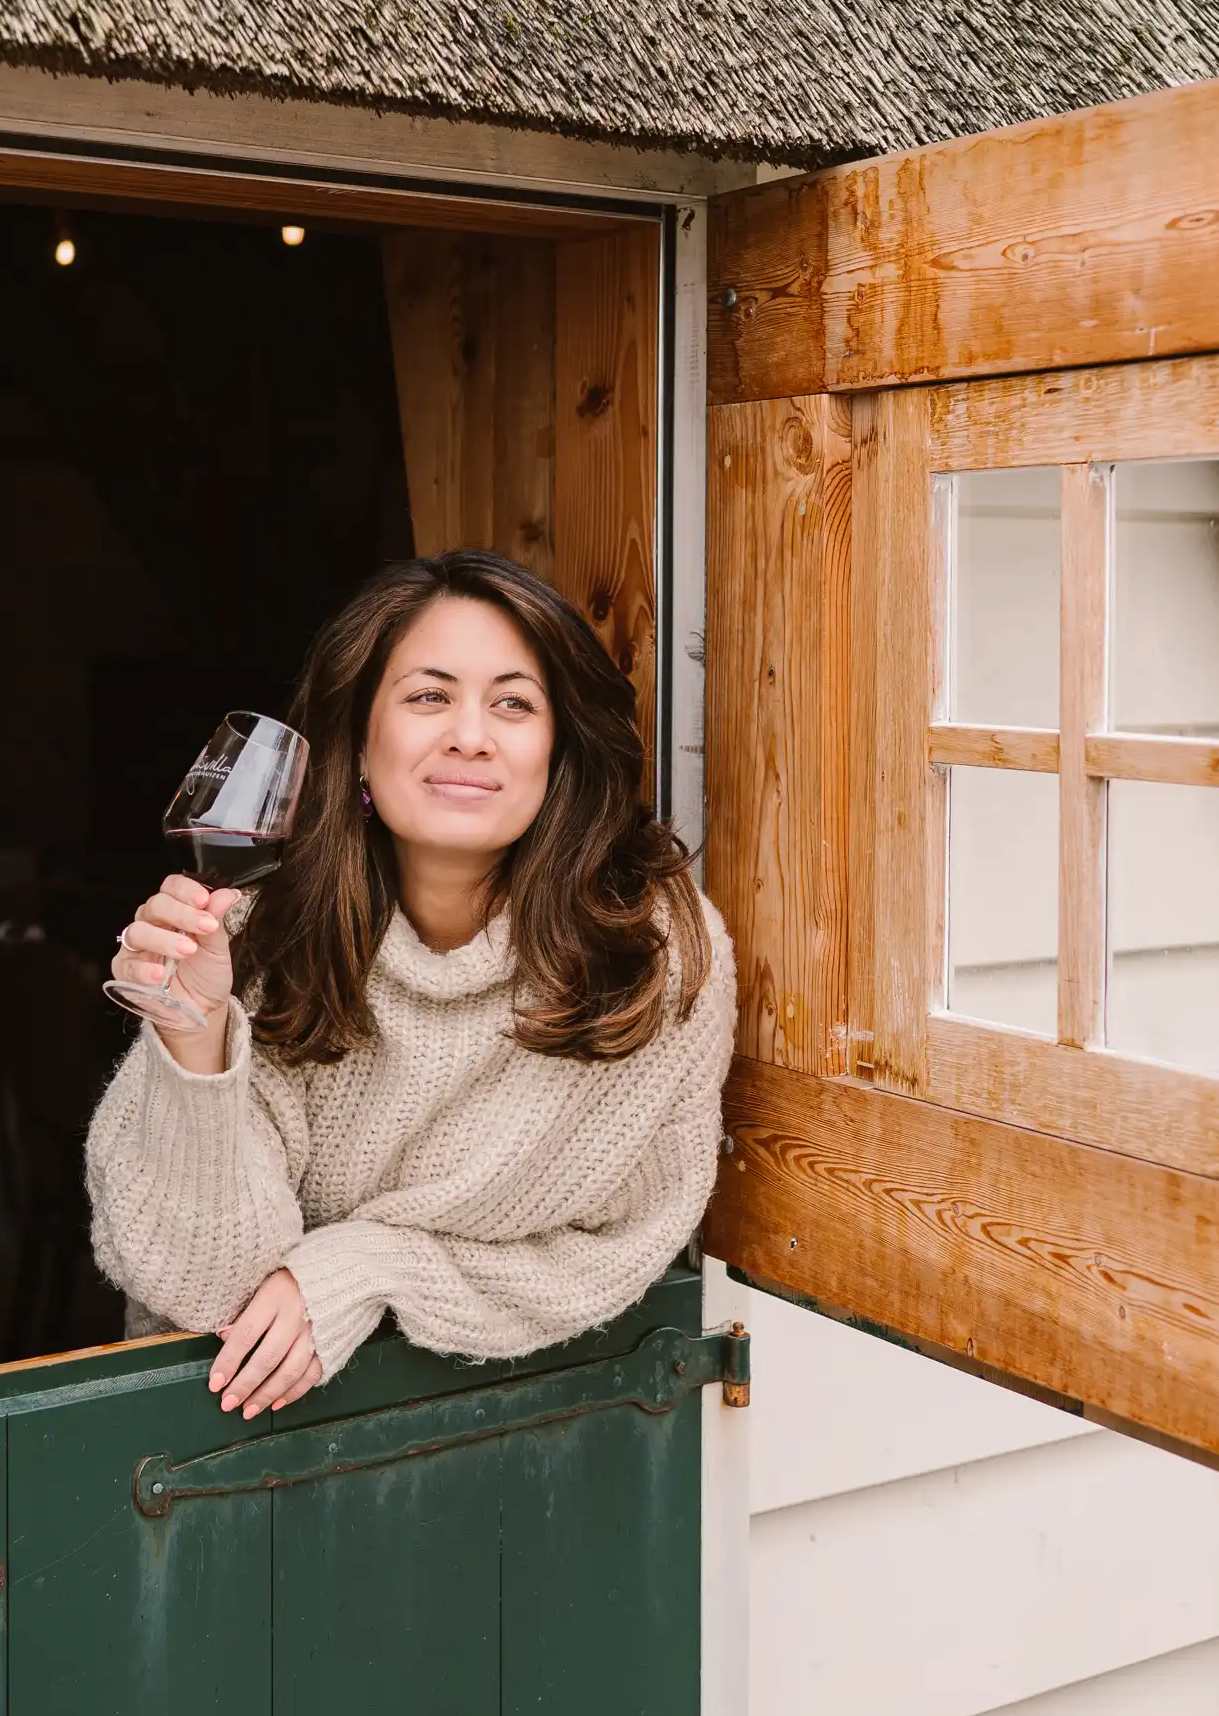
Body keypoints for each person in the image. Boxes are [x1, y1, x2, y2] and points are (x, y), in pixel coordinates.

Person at [86, 550, 736, 1423]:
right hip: (222, 1432)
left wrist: (371, 1267)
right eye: (429, 696)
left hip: (510, 1437)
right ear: (357, 742)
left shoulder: (648, 953)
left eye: (513, 703)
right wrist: (197, 1036)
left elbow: (621, 1246)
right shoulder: (263, 931)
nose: (471, 734)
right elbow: (204, 1286)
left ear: (558, 749)